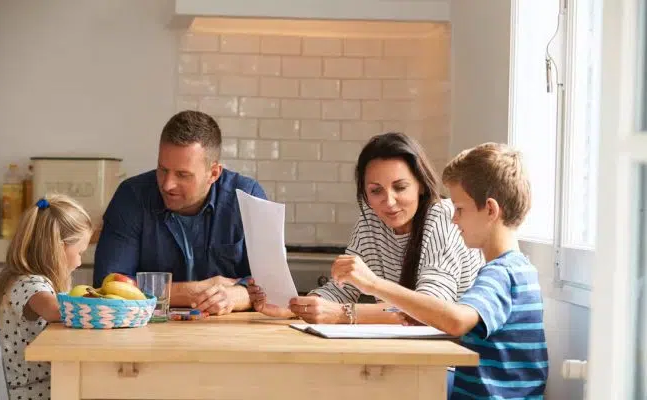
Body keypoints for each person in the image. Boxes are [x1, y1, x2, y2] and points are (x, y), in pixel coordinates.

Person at [331, 142, 548, 399]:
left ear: (490, 209)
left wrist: (374, 285)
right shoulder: (518, 268)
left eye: (459, 209)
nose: (454, 219)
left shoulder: (503, 273)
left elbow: (456, 321)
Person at [248, 132, 484, 323]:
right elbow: (341, 290)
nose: (389, 202)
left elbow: (430, 310)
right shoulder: (370, 220)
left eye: (400, 187)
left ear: (421, 185)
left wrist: (342, 315)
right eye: (376, 191)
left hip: (457, 357)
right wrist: (293, 308)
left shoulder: (442, 216)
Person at [93, 110, 267, 315]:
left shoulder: (248, 197)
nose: (167, 185)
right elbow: (107, 286)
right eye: (162, 169)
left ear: (213, 173)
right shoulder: (131, 196)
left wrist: (239, 295)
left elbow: (271, 286)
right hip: (148, 334)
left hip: (229, 335)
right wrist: (192, 292)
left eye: (183, 175)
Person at [0, 194, 92, 400]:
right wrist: (104, 305)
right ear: (59, 247)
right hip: (32, 392)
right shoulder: (29, 284)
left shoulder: (18, 277)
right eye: (80, 252)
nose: (80, 262)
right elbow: (56, 311)